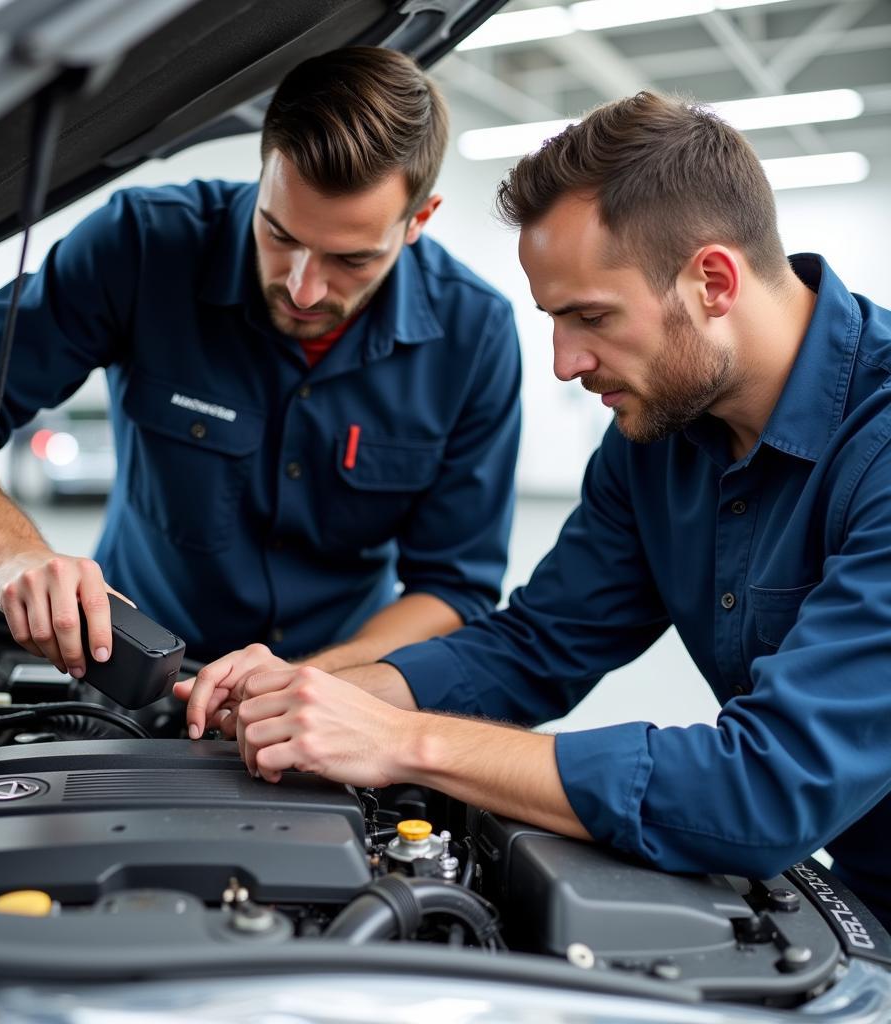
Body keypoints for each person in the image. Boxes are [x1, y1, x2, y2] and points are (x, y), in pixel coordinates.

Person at [182, 92, 891, 933]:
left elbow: (763, 789)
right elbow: (537, 643)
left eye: (591, 317)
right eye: (555, 318)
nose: (564, 363)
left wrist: (405, 742)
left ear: (713, 280)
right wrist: (318, 691)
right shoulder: (658, 434)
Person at [0, 47, 521, 682]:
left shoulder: (474, 335)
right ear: (265, 172)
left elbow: (452, 590)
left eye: (351, 259)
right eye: (279, 233)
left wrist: (310, 683)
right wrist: (9, 551)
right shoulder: (145, 246)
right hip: (129, 673)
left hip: (338, 691)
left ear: (418, 221)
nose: (302, 288)